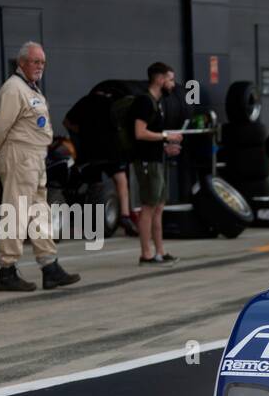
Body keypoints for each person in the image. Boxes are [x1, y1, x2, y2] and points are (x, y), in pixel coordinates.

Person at [0, 41, 80, 293]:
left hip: (35, 158)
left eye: (43, 62)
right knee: (16, 213)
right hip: (19, 156)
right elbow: (0, 127)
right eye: (35, 61)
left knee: (39, 213)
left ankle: (50, 266)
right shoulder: (14, 89)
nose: (40, 66)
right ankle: (6, 270)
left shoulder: (30, 88)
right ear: (21, 62)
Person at [130, 62, 184, 266]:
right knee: (148, 207)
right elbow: (139, 132)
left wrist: (165, 145)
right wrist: (165, 135)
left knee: (159, 206)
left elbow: (152, 136)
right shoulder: (145, 102)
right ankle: (146, 253)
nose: (172, 84)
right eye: (170, 79)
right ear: (159, 79)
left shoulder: (157, 102)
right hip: (147, 163)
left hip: (157, 159)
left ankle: (160, 251)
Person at [63, 88, 137, 236]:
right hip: (112, 149)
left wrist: (80, 130)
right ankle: (125, 216)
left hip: (89, 151)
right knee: (121, 181)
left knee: (93, 185)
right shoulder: (112, 103)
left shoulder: (83, 102)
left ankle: (91, 222)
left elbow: (67, 122)